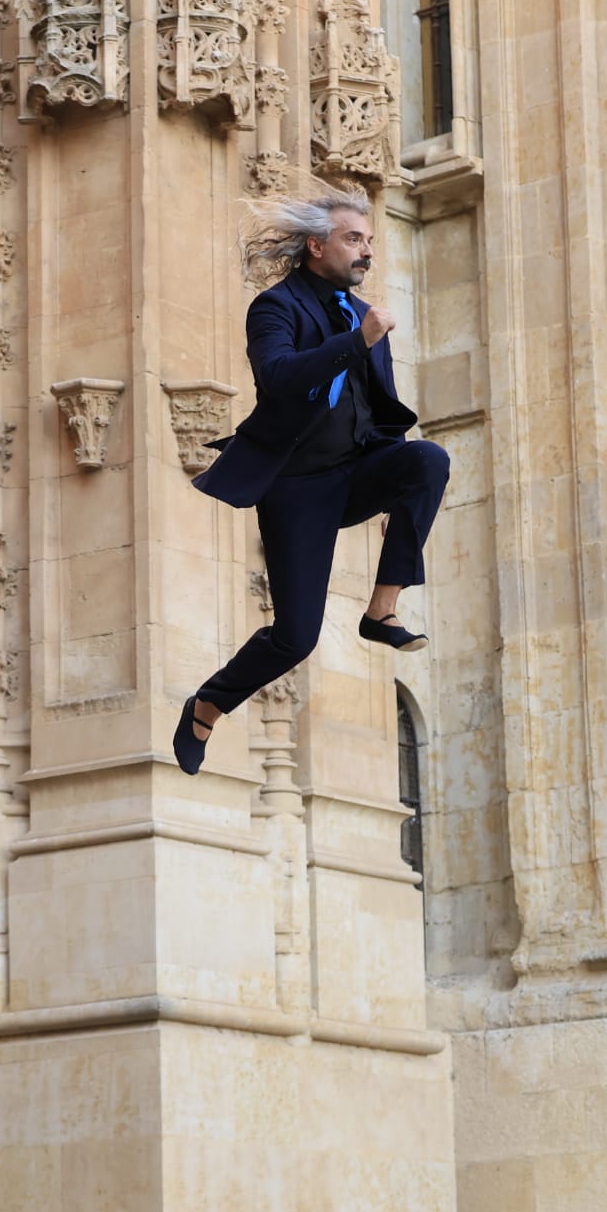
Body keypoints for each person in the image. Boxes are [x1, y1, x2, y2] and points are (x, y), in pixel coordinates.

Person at [176, 186, 450, 774]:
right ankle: (206, 705)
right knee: (295, 638)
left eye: (370, 241)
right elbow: (278, 377)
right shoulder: (276, 309)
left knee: (427, 460)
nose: (366, 252)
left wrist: (394, 490)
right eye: (354, 239)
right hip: (297, 488)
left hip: (353, 474)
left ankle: (382, 608)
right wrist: (357, 341)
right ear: (315, 245)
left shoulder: (360, 315)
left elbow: (380, 407)